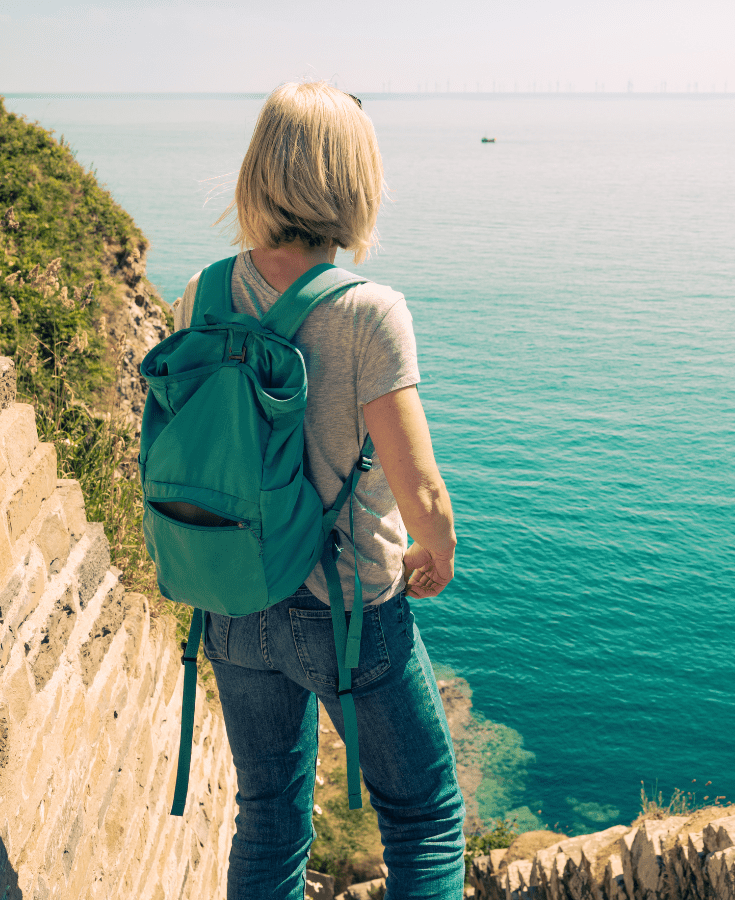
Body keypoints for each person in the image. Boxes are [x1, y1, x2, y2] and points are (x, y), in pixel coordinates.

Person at [173, 80, 465, 900]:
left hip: (231, 602)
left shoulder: (203, 293)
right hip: (346, 614)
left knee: (268, 817)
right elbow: (424, 493)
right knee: (425, 819)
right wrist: (433, 551)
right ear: (353, 179)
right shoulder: (369, 312)